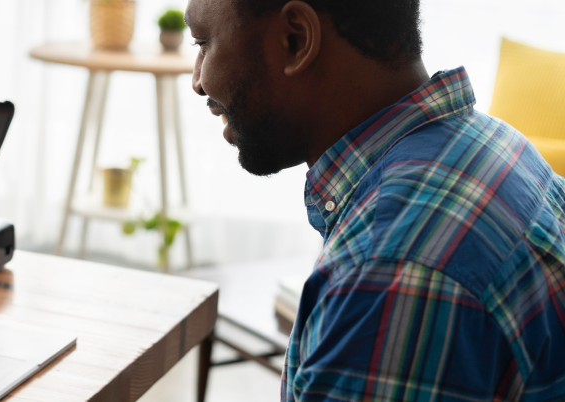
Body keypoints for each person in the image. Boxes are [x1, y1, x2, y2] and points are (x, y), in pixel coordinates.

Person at [184, 0, 565, 400]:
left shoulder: (387, 275)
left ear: (295, 40)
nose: (198, 80)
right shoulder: (495, 145)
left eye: (203, 43)